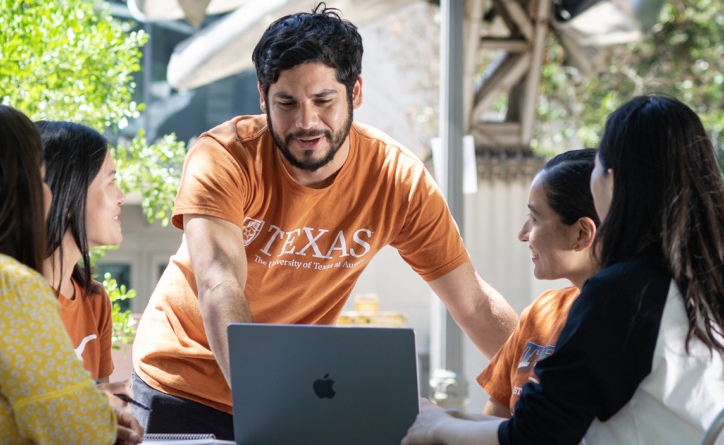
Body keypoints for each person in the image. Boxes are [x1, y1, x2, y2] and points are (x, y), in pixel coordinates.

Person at [130, 2, 518, 438]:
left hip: (295, 389)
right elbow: (220, 283)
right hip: (182, 382)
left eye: (323, 100)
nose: (306, 122)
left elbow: (472, 302)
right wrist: (262, 400)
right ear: (263, 97)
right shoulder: (223, 155)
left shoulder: (397, 179)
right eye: (286, 102)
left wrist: (543, 389)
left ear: (355, 94)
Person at [402, 94, 724, 444]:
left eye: (596, 167)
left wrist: (437, 428)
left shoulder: (623, 293)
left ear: (612, 180)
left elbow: (536, 434)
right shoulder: (707, 281)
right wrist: (446, 418)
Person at [0, 103, 142, 444]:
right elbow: (77, 430)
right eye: (36, 176)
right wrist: (95, 408)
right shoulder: (5, 285)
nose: (120, 197)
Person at [477, 148, 599, 419]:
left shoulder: (623, 328)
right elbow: (492, 421)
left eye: (534, 218)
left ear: (581, 233)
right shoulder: (540, 312)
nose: (523, 234)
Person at [37, 120, 126, 383]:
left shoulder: (96, 300)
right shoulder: (6, 301)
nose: (121, 196)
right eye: (111, 182)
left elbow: (98, 410)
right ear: (66, 196)